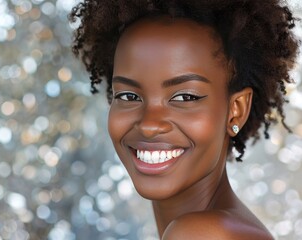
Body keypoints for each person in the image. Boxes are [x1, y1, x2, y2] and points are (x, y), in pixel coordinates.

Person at [69, 0, 299, 239]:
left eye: (185, 97)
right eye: (129, 95)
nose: (149, 125)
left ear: (236, 110)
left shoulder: (200, 233)